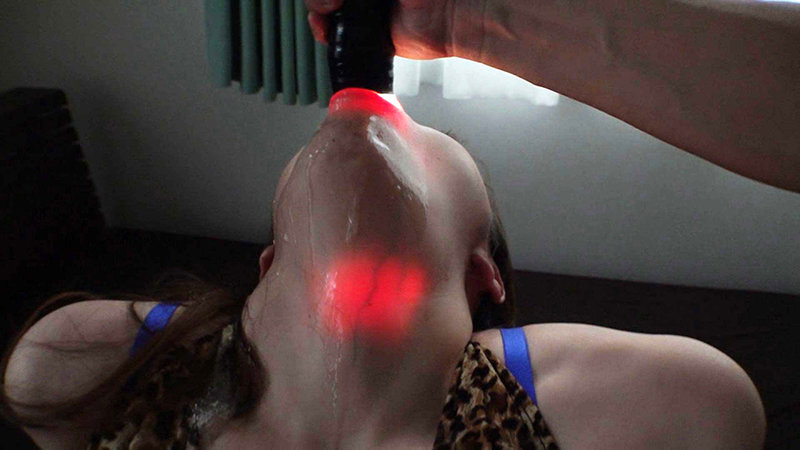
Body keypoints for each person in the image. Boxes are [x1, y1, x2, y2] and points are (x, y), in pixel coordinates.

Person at [0, 0, 781, 448]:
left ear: (481, 278)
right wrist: (236, 337)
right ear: (269, 263)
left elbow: (709, 405)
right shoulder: (119, 375)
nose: (378, 118)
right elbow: (39, 364)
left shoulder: (518, 409)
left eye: (423, 138)